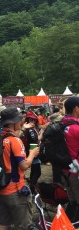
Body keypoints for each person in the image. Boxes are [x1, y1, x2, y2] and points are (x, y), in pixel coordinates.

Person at [0, 108, 39, 230]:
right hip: (16, 190)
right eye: (19, 120)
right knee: (24, 226)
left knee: (3, 223)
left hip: (1, 189)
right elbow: (24, 165)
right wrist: (32, 154)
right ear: (12, 123)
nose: (21, 122)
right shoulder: (14, 141)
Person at [61, 96, 79, 226]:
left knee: (72, 201)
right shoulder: (76, 128)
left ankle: (66, 224)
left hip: (65, 169)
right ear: (76, 109)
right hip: (76, 172)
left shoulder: (62, 123)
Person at [24, 111, 42, 194]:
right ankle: (32, 187)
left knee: (34, 171)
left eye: (34, 120)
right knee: (37, 172)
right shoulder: (30, 129)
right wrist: (40, 135)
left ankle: (32, 186)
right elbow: (34, 140)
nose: (33, 121)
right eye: (31, 120)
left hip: (32, 150)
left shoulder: (29, 128)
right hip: (32, 149)